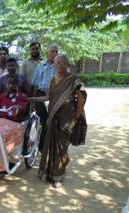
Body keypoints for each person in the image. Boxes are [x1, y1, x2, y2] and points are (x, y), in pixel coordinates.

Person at [34, 54, 87, 188]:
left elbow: (80, 98)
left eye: (63, 63)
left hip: (67, 119)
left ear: (67, 64)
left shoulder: (73, 79)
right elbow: (48, 97)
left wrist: (76, 117)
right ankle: (51, 173)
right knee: (52, 146)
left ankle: (59, 175)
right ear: (54, 65)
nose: (60, 65)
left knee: (62, 148)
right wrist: (31, 99)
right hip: (53, 116)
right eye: (57, 63)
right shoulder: (52, 80)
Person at [0, 78, 28, 172]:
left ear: (17, 85)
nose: (10, 86)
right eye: (9, 83)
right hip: (1, 121)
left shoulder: (22, 96)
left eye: (13, 83)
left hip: (15, 123)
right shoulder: (2, 96)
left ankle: (1, 165)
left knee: (2, 136)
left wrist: (18, 108)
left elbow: (23, 108)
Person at [31, 43, 58, 152]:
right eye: (52, 51)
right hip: (40, 96)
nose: (55, 54)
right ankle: (42, 147)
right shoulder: (40, 66)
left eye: (56, 52)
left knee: (52, 122)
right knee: (43, 120)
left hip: (55, 98)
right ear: (47, 53)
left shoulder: (60, 65)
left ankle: (48, 145)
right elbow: (35, 84)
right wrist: (33, 101)